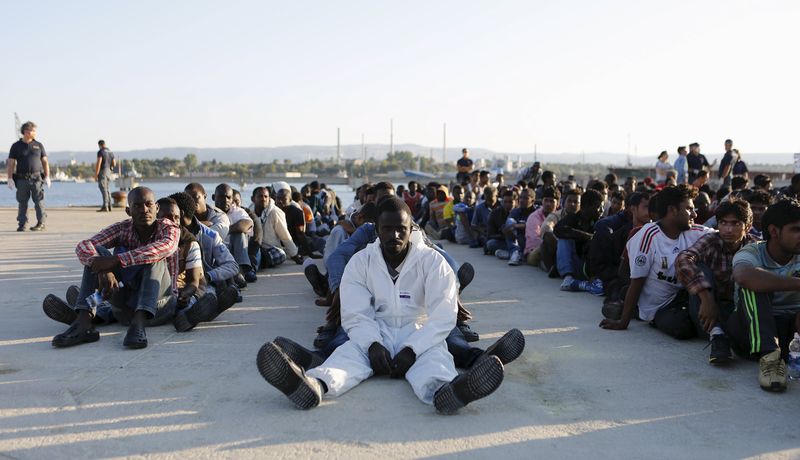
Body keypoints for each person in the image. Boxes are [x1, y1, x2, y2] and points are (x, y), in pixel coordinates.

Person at [256, 197, 507, 413]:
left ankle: (448, 392)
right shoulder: (360, 262)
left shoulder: (432, 261)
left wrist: (413, 349)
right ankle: (313, 386)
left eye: (401, 229)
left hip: (418, 331)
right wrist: (372, 344)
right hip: (376, 330)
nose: (395, 235)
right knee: (347, 358)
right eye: (388, 229)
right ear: (377, 229)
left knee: (434, 361)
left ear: (411, 229)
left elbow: (442, 317)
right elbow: (356, 315)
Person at [48, 187, 179, 349]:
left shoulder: (169, 228)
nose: (144, 210)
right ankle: (84, 321)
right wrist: (103, 269)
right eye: (137, 206)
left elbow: (165, 247)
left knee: (153, 255)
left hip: (160, 306)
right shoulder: (122, 228)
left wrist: (116, 260)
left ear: (157, 208)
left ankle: (135, 323)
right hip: (125, 306)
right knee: (97, 253)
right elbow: (84, 245)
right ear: (128, 211)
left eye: (148, 204)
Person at [600, 185, 713, 338]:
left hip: (683, 297)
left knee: (701, 267)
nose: (694, 214)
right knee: (682, 328)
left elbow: (725, 237)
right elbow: (637, 282)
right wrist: (622, 323)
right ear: (672, 210)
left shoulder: (694, 231)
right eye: (689, 209)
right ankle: (633, 311)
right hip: (660, 306)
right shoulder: (648, 236)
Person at [675, 199, 757, 364]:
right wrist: (706, 298)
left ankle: (728, 334)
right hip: (706, 309)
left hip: (736, 310)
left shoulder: (754, 247)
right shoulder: (711, 240)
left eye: (735, 224)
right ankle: (717, 336)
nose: (728, 229)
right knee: (699, 267)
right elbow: (683, 259)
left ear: (747, 227)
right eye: (723, 223)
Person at [730, 198, 800, 392]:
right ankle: (770, 358)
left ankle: (781, 356)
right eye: (796, 230)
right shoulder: (752, 252)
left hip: (790, 333)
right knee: (755, 286)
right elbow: (743, 276)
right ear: (774, 231)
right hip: (750, 332)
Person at [169, 192, 240, 320]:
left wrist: (208, 275)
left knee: (206, 295)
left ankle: (198, 311)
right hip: (174, 284)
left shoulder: (210, 236)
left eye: (168, 213)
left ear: (180, 214)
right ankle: (206, 311)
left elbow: (232, 266)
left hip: (201, 283)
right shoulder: (164, 233)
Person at [554, 189, 605, 294]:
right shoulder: (572, 218)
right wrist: (585, 236)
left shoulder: (601, 222)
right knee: (564, 239)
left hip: (591, 268)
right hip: (575, 264)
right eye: (598, 207)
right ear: (586, 206)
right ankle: (568, 278)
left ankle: (592, 282)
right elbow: (558, 230)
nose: (602, 210)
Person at [7, 121, 50, 231]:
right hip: (21, 179)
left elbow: (45, 161)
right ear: (26, 132)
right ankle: (22, 224)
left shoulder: (39, 145)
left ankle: (41, 223)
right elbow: (11, 162)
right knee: (22, 202)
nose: (35, 133)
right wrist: (10, 178)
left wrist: (47, 176)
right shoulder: (16, 146)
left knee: (39, 201)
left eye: (35, 131)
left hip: (36, 179)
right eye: (33, 131)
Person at [250, 186, 300, 268]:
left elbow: (285, 236)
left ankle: (255, 263)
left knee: (281, 254)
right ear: (253, 199)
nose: (263, 199)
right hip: (253, 247)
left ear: (269, 198)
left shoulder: (275, 212)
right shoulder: (249, 212)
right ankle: (254, 262)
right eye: (260, 196)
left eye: (266, 196)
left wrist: (295, 255)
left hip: (269, 249)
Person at [524, 186, 559, 267]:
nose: (548, 204)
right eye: (546, 200)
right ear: (542, 201)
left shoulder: (559, 216)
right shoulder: (534, 217)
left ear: (558, 203)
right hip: (533, 252)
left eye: (551, 201)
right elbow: (535, 240)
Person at [94, 140, 116, 212]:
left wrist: (96, 174)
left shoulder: (100, 152)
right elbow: (114, 163)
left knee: (103, 188)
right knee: (107, 188)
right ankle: (110, 206)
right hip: (108, 171)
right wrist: (111, 168)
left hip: (102, 171)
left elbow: (99, 162)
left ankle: (105, 206)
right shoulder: (110, 152)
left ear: (99, 145)